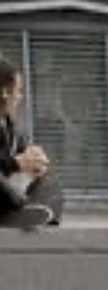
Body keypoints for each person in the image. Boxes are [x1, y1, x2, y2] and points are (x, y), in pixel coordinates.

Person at [0, 58, 63, 230]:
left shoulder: (8, 124)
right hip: (5, 194)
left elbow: (23, 152)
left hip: (11, 194)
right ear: (5, 92)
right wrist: (16, 162)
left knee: (52, 189)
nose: (20, 97)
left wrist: (35, 162)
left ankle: (27, 212)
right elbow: (13, 161)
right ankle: (20, 212)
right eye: (18, 91)